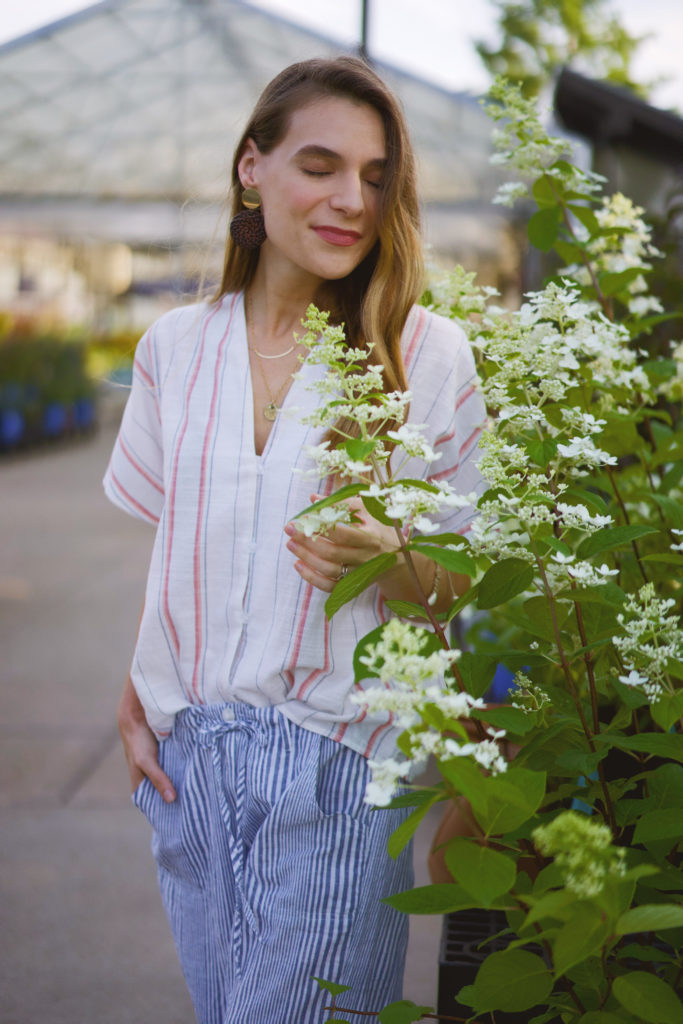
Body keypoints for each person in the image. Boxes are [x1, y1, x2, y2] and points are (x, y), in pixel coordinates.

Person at [104, 56, 484, 1024]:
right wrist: (139, 685)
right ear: (250, 168)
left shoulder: (424, 351)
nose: (349, 200)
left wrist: (387, 563)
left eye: (372, 177)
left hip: (338, 762)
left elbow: (468, 583)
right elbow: (178, 549)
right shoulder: (172, 351)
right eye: (319, 165)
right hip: (189, 764)